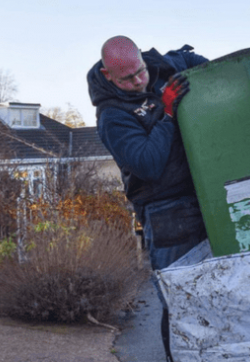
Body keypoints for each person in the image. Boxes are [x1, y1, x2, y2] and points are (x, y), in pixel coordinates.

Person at [87, 36, 209, 362]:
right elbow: (148, 164)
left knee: (214, 293)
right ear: (108, 74)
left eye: (140, 71)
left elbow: (196, 63)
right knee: (181, 301)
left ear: (142, 59)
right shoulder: (112, 117)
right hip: (166, 213)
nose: (139, 81)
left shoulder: (158, 68)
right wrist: (167, 114)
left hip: (205, 196)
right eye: (127, 78)